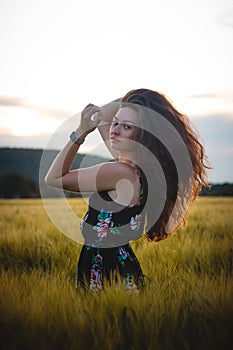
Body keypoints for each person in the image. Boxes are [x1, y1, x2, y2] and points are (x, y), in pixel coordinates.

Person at [45, 88, 209, 293]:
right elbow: (102, 116)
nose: (114, 130)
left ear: (143, 135)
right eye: (116, 123)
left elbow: (54, 178)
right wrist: (134, 103)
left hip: (104, 271)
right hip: (122, 268)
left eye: (127, 127)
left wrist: (80, 132)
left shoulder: (119, 173)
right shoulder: (141, 169)